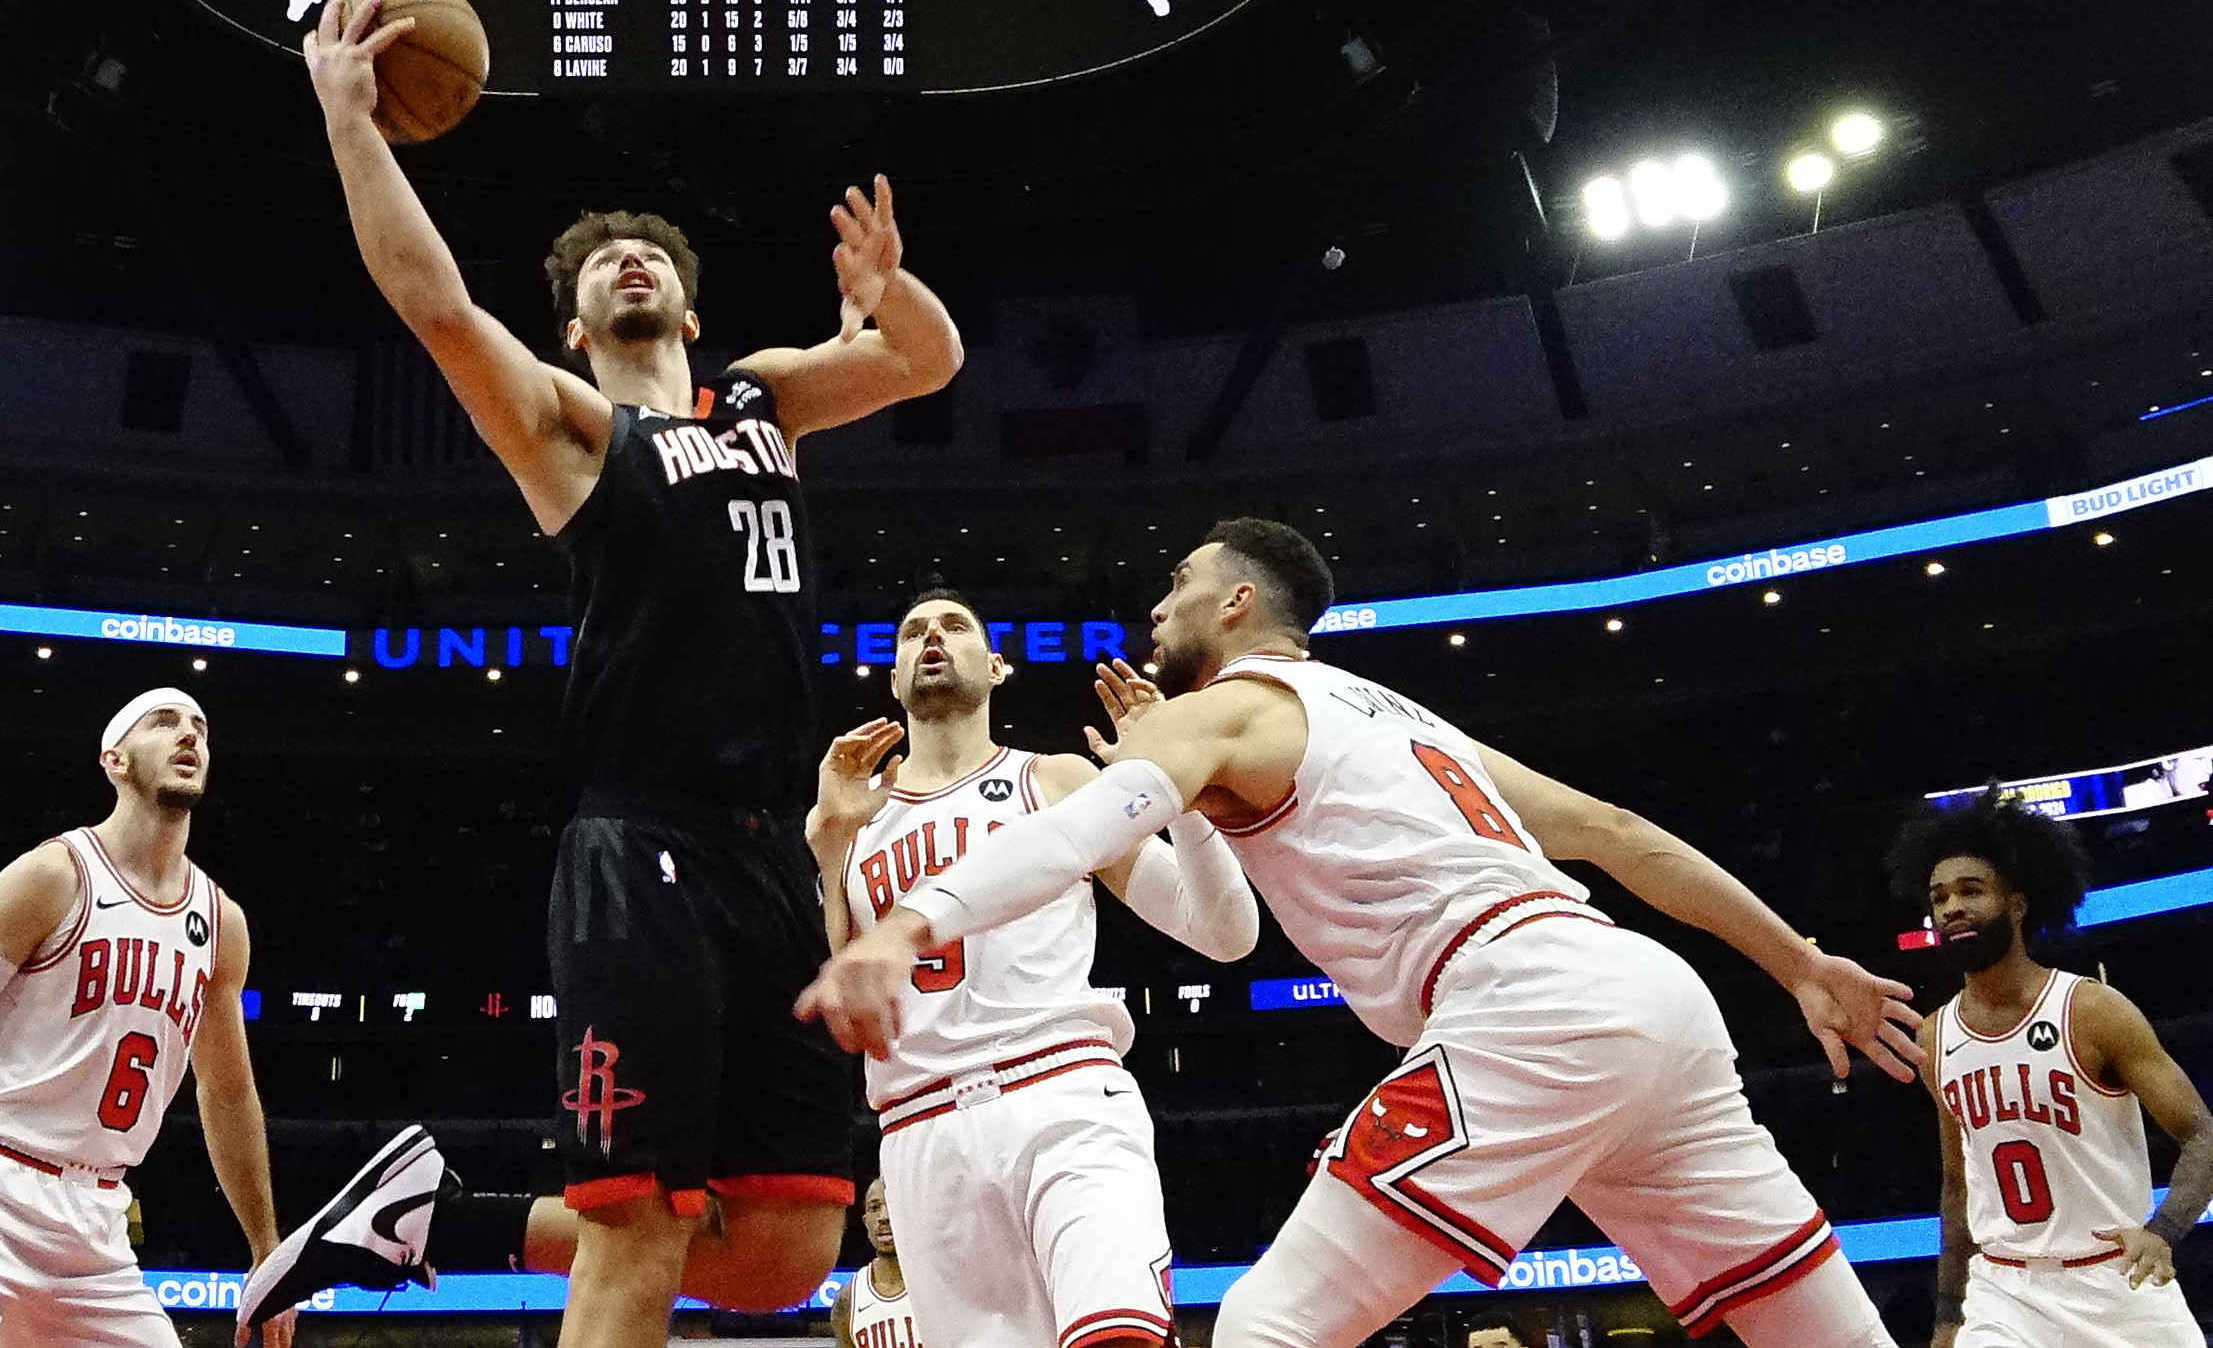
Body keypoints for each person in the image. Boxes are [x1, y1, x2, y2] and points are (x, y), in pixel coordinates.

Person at [240, 0, 964, 1348]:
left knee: (779, 1254)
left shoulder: (761, 398)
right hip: (645, 845)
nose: (629, 258)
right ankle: (417, 1220)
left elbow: (925, 361)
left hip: (767, 862)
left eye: (649, 248)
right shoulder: (573, 434)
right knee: (637, 1225)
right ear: (574, 323)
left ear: (689, 297)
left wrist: (884, 292)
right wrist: (352, 123)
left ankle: (425, 1219)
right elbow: (434, 303)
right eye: (601, 259)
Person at [800, 517, 1924, 1348]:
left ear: (1237, 604)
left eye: (1180, 584)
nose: (1158, 607)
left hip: (1517, 1009)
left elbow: (1080, 829)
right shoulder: (1402, 713)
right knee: (1820, 1330)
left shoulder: (1228, 706)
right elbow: (1616, 832)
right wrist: (1798, 960)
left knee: (1260, 1331)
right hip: (1649, 996)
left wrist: (907, 922)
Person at [809, 589, 1260, 1348]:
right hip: (921, 1130)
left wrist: (1176, 791)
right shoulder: (853, 817)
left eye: (954, 627)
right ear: (891, 680)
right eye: (914, 632)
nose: (931, 639)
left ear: (995, 666)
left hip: (1060, 1094)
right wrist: (827, 843)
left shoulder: (1055, 782)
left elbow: (1221, 932)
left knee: (1117, 1336)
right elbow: (840, 993)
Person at [0, 690, 291, 1348]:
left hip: (96, 1217)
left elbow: (226, 1091)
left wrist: (266, 1249)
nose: (188, 735)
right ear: (115, 759)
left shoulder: (221, 924)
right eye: (164, 723)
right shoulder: (53, 875)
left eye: (200, 729)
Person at [1893, 794, 2212, 1347]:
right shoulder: (1934, 1034)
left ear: (2017, 904)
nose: (1951, 909)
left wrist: (2164, 1232)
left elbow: (2202, 1134)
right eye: (1939, 897)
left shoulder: (2091, 1010)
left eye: (1971, 891)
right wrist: (1948, 1313)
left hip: (2118, 1279)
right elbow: (1957, 1184)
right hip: (2006, 1290)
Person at [833, 1179, 926, 1348]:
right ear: (865, 1221)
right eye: (874, 1208)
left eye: (892, 1204)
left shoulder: (939, 1286)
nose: (884, 1217)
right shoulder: (849, 1298)